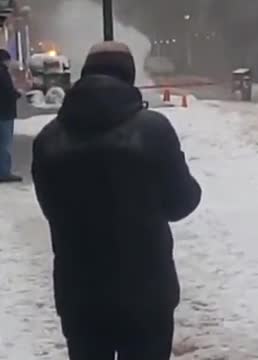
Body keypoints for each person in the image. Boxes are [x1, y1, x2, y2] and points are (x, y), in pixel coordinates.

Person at [31, 41, 201, 360]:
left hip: (79, 293)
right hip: (146, 291)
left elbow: (50, 208)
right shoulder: (153, 130)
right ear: (130, 74)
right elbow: (182, 203)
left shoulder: (48, 139)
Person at [0, 49, 22, 183]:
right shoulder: (2, 73)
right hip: (5, 113)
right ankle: (4, 172)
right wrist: (17, 94)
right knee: (5, 144)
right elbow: (7, 92)